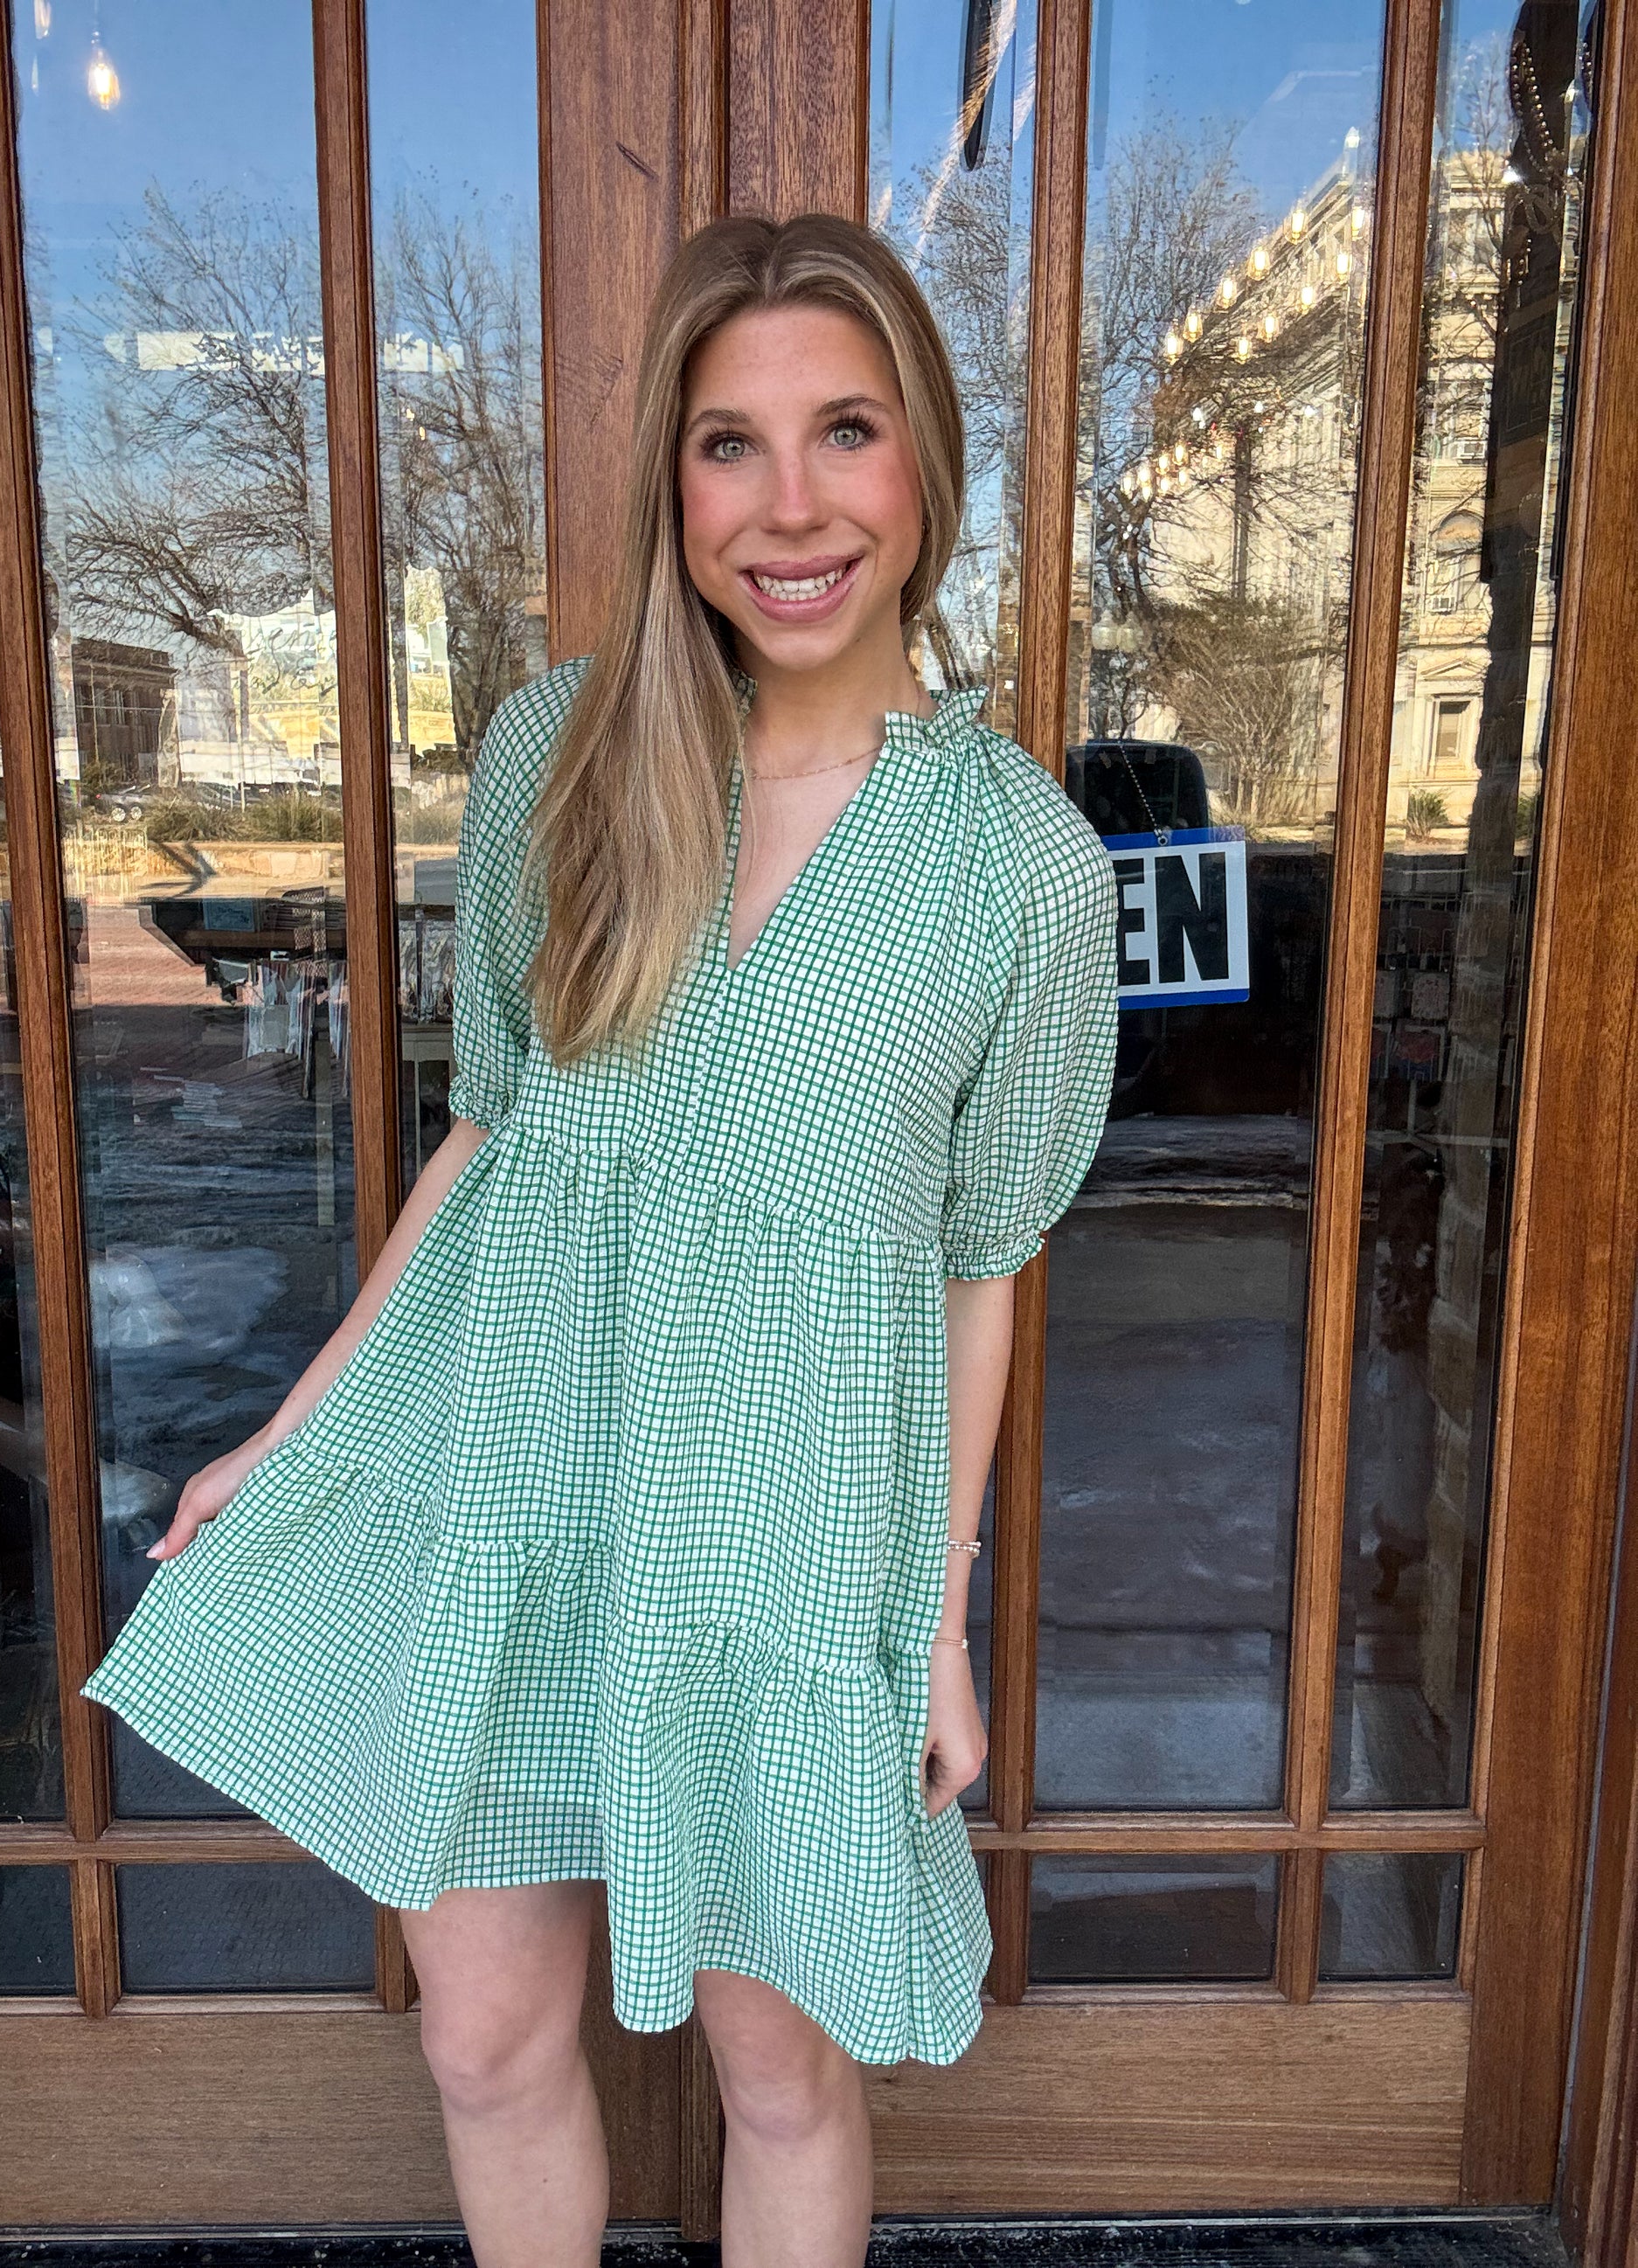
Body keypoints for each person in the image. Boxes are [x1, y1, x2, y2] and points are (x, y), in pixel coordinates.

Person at [82, 212, 1119, 2268]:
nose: (791, 504)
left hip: (782, 1536)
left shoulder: (1021, 861)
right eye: (730, 444)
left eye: (844, 430)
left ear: (924, 465)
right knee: (480, 2036)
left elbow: (976, 1261)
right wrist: (300, 1425)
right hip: (517, 1479)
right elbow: (492, 1134)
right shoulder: (562, 751)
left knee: (778, 2070)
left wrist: (931, 1618)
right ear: (674, 482)